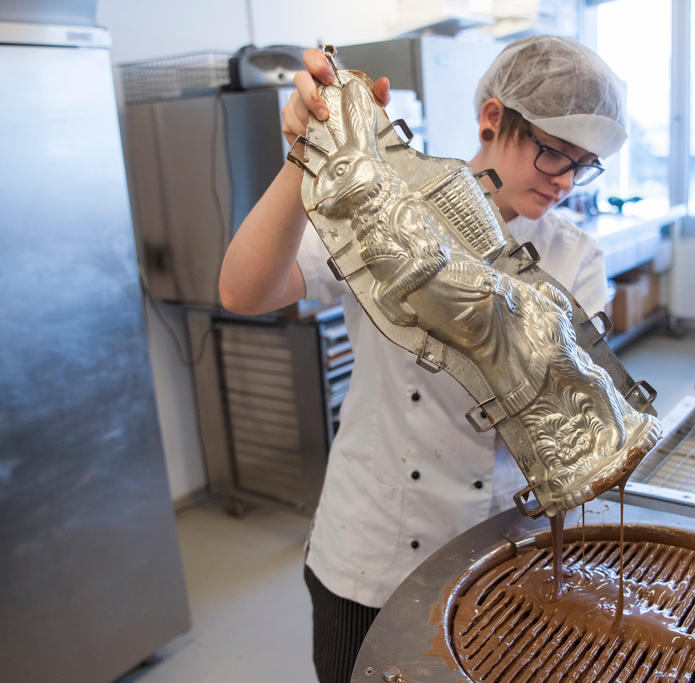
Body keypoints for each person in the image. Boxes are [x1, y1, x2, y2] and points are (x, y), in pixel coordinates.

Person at [218, 35, 627, 682]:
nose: (567, 180)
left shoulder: (575, 255)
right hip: (370, 554)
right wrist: (309, 154)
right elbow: (243, 290)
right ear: (493, 118)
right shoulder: (383, 210)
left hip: (505, 550)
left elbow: (567, 418)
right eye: (552, 153)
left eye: (585, 165)